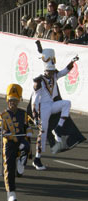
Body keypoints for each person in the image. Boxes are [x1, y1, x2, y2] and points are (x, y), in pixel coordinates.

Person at [30, 40, 77, 170]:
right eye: (50, 71)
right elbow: (35, 99)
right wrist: (35, 115)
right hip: (43, 108)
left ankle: (58, 129)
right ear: (45, 70)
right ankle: (37, 159)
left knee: (67, 103)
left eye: (52, 71)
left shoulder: (55, 75)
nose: (52, 73)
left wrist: (72, 62)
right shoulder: (39, 81)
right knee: (42, 133)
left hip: (51, 104)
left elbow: (64, 71)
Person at [0, 84, 31, 201]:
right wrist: (5, 132)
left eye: (15, 101)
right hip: (9, 144)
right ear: (7, 100)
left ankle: (22, 163)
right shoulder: (2, 115)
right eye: (11, 100)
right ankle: (11, 192)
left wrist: (29, 132)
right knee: (9, 168)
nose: (13, 103)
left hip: (21, 141)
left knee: (26, 146)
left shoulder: (23, 113)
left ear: (19, 101)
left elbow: (27, 126)